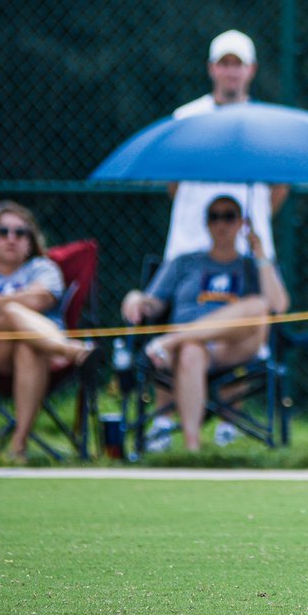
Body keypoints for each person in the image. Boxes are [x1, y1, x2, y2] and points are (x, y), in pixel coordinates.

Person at [121, 194, 289, 452]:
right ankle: (193, 449)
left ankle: (172, 339)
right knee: (190, 351)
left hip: (231, 348)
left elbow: (278, 306)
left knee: (257, 306)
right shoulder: (183, 262)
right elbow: (152, 304)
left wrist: (261, 254)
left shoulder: (250, 266)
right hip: (188, 352)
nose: (221, 224)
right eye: (214, 217)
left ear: (240, 223)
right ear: (206, 223)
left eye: (229, 216)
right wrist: (135, 296)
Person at [0, 201, 103, 461]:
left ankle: (18, 447)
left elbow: (41, 300)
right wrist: (6, 308)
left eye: (20, 233)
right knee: (12, 313)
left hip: (43, 356)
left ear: (30, 241)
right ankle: (75, 351)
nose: (11, 238)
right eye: (3, 231)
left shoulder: (43, 268)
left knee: (28, 346)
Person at [163, 29, 289, 263]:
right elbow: (174, 182)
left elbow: (280, 186)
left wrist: (249, 220)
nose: (231, 71)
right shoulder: (185, 118)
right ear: (211, 68)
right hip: (190, 246)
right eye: (224, 63)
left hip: (249, 253)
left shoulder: (266, 124)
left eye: (238, 64)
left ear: (251, 69)